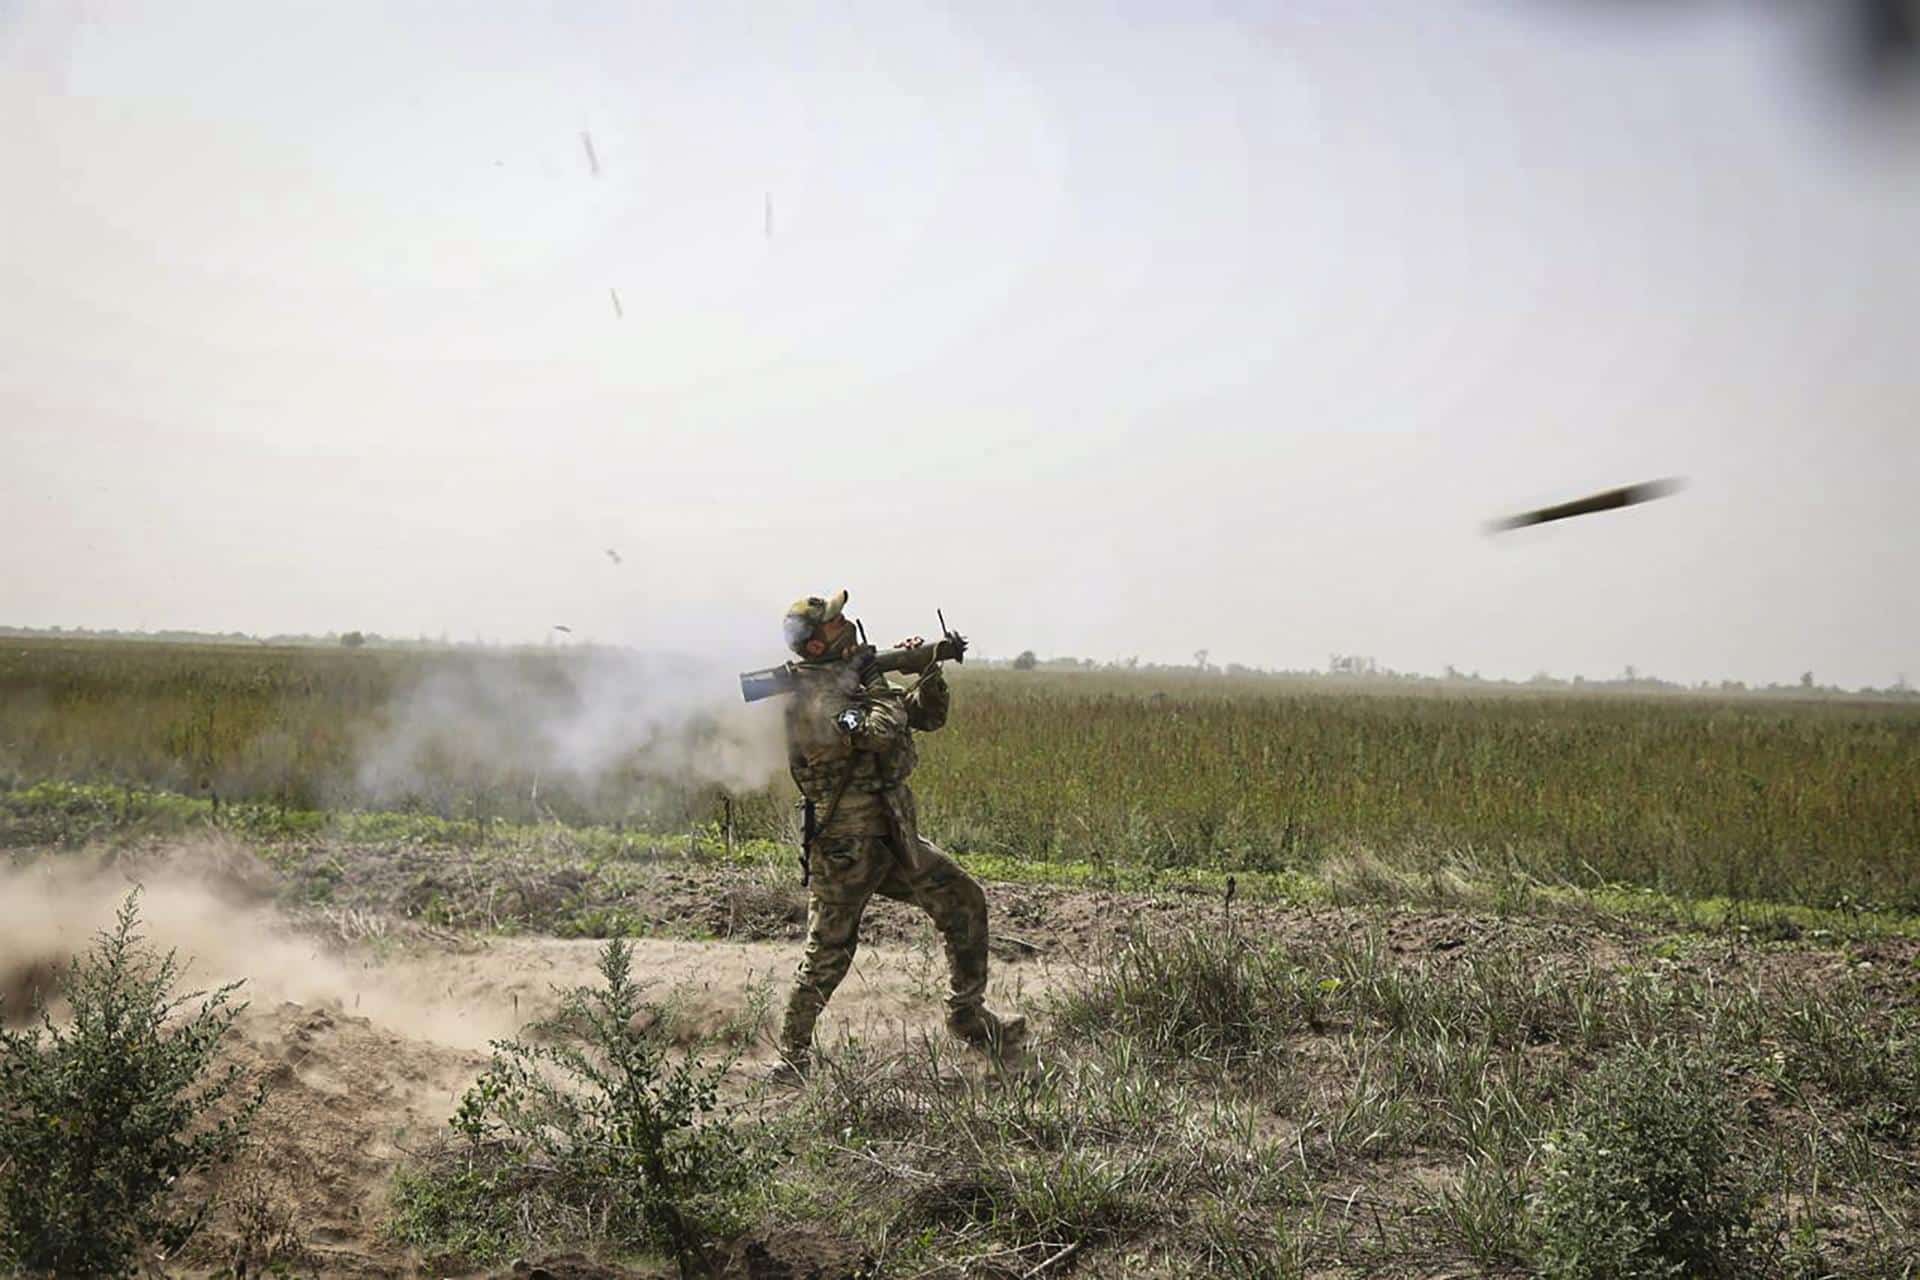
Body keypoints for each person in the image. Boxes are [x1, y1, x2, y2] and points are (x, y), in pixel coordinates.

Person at [772, 589, 1023, 1080]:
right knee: (830, 951)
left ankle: (968, 1017)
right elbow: (879, 730)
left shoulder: (847, 683)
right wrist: (878, 679)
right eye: (834, 623)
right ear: (816, 645)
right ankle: (791, 1059)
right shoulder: (814, 699)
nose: (847, 625)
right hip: (844, 846)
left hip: (890, 834)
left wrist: (928, 673)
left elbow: (925, 717)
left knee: (964, 901)